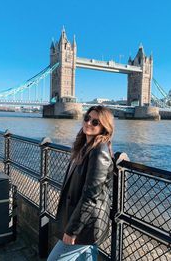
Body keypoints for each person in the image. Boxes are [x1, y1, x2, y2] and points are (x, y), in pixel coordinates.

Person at [47, 105, 114, 261]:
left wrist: (72, 231)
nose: (89, 123)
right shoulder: (85, 146)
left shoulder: (99, 151)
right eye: (87, 118)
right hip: (81, 220)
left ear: (104, 127)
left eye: (95, 122)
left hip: (86, 225)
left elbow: (90, 197)